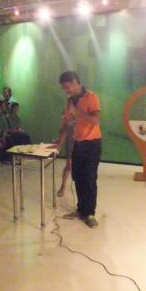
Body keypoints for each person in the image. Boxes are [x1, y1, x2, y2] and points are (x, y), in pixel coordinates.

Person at [57, 71, 101, 228]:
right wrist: (59, 143)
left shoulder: (91, 97)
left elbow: (96, 120)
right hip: (77, 143)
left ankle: (90, 214)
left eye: (67, 87)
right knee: (77, 177)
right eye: (63, 88)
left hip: (92, 144)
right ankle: (81, 209)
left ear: (75, 82)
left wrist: (78, 111)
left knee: (89, 179)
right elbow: (66, 123)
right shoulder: (70, 101)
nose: (66, 90)